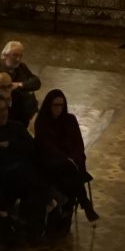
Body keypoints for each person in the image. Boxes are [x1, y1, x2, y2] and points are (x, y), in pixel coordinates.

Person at [33, 88, 99, 223]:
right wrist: (67, 159)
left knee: (70, 172)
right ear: (49, 105)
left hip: (72, 163)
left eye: (61, 105)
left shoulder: (70, 119)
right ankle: (84, 202)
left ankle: (71, 209)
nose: (59, 109)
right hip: (52, 162)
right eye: (55, 105)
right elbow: (48, 147)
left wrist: (73, 158)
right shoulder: (42, 122)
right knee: (69, 170)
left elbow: (79, 144)